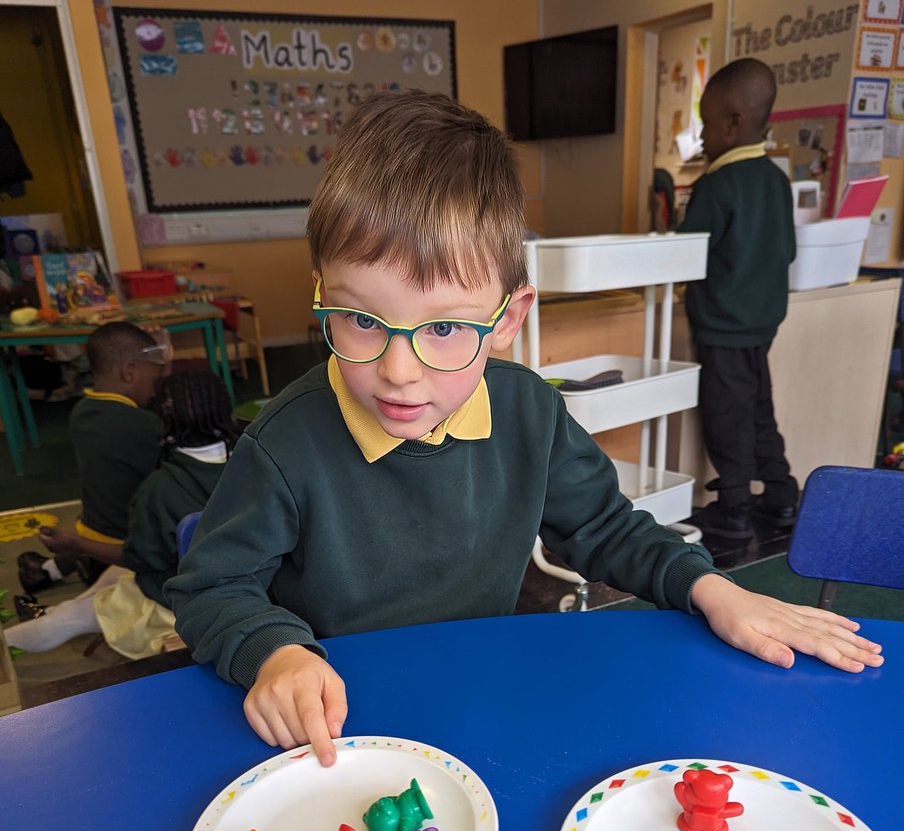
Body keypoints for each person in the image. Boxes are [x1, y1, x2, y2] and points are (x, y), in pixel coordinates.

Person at [165, 89, 883, 765]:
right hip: (340, 725)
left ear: (508, 319)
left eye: (444, 326)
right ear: (321, 294)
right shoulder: (286, 443)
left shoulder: (528, 411)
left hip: (480, 699)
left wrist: (713, 589)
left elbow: (606, 530)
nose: (400, 370)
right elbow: (209, 589)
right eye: (360, 320)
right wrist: (275, 652)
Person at [7, 368, 237, 659]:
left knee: (71, 618)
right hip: (244, 587)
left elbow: (137, 559)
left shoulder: (159, 488)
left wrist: (74, 544)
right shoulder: (252, 460)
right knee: (110, 581)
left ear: (162, 420)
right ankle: (48, 609)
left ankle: (19, 634)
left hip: (181, 601)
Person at [679, 57, 799, 540]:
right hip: (761, 326)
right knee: (758, 408)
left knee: (727, 416)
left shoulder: (715, 185)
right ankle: (782, 493)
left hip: (721, 328)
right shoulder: (777, 181)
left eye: (706, 123)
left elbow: (685, 255)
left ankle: (732, 508)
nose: (702, 135)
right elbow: (786, 251)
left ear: (733, 122)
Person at [17, 321, 169, 595]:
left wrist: (157, 360)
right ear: (129, 372)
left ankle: (52, 569)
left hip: (92, 531)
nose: (156, 389)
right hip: (124, 550)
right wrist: (166, 360)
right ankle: (74, 566)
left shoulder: (81, 413)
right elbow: (173, 412)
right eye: (155, 380)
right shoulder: (144, 426)